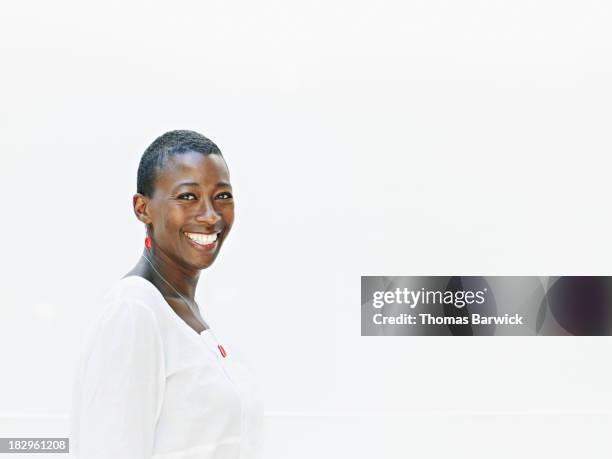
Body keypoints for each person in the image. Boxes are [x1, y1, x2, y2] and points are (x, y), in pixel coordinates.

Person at [70, 130, 262, 458]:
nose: (210, 216)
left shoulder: (184, 312)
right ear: (142, 208)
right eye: (187, 197)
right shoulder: (134, 311)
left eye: (222, 195)